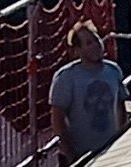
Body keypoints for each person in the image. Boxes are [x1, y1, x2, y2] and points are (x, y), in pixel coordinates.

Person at [47, 23, 124, 161]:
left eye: (96, 40)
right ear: (77, 50)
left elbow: (120, 107)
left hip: (111, 152)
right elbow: (57, 119)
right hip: (79, 156)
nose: (95, 45)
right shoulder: (66, 77)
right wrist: (71, 155)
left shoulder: (113, 70)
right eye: (88, 43)